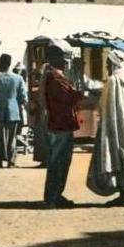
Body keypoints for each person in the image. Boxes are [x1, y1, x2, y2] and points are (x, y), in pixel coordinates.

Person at [86, 49, 124, 207]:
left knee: (119, 153)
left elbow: (107, 104)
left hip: (118, 124)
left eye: (107, 62)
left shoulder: (115, 80)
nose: (106, 65)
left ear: (113, 63)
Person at [42, 41, 82, 208]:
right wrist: (78, 80)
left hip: (58, 124)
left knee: (58, 162)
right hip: (60, 125)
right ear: (55, 58)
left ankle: (55, 195)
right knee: (59, 163)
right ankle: (54, 197)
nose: (66, 61)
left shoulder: (53, 75)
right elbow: (72, 97)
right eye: (63, 58)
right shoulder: (55, 77)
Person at [0, 53, 28, 168]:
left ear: (0, 65)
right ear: (9, 65)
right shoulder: (18, 79)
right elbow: (23, 97)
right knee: (12, 137)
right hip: (13, 111)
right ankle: (11, 161)